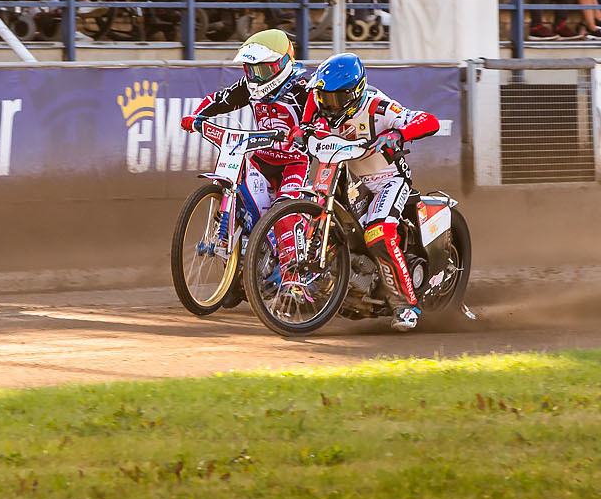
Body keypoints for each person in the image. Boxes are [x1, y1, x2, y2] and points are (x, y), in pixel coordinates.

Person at [293, 52, 442, 332]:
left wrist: (398, 135)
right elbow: (308, 118)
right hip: (348, 175)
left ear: (355, 92)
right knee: (315, 209)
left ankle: (406, 305)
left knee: (378, 233)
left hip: (388, 180)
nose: (328, 104)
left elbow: (428, 120)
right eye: (325, 97)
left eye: (335, 99)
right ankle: (312, 281)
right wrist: (302, 130)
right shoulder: (318, 98)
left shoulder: (378, 106)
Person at [183, 30, 309, 237]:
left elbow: (321, 121)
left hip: (294, 163)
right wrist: (195, 116)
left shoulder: (303, 90)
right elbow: (220, 100)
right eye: (251, 70)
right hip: (261, 158)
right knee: (239, 201)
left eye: (263, 70)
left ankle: (292, 266)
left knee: (284, 218)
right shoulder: (247, 87)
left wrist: (303, 130)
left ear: (283, 63)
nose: (256, 78)